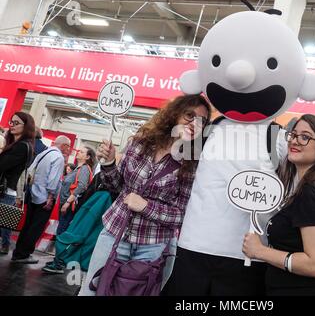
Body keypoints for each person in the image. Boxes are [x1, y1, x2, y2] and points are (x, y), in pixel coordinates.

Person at [78, 94, 211, 295]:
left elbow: (181, 215)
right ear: (175, 115)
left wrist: (146, 207)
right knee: (92, 291)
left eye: (201, 121)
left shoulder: (193, 163)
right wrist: (109, 163)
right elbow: (115, 186)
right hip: (115, 232)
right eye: (189, 115)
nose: (194, 123)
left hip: (153, 245)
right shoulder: (141, 143)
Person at [241, 114, 315, 296]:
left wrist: (260, 251)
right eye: (293, 135)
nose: (295, 141)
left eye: (305, 137)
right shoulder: (309, 187)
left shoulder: (312, 191)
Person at [11, 135, 71, 263]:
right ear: (64, 146)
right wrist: (50, 197)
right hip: (45, 198)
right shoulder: (58, 157)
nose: (69, 149)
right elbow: (53, 180)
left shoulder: (45, 152)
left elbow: (31, 170)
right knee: (36, 227)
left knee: (28, 225)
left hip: (33, 193)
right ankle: (24, 254)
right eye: (69, 146)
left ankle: (18, 252)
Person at [0, 112, 35, 255]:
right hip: (7, 191)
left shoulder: (21, 146)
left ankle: (6, 245)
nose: (12, 125)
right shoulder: (17, 144)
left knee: (5, 225)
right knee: (4, 224)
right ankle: (5, 245)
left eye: (17, 123)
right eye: (11, 122)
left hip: (5, 191)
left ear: (26, 126)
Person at [56, 146, 95, 236]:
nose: (78, 152)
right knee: (61, 229)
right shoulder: (78, 168)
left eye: (82, 152)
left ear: (87, 157)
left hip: (69, 205)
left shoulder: (84, 168)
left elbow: (82, 186)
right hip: (66, 203)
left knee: (62, 231)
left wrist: (68, 202)